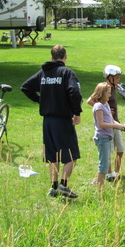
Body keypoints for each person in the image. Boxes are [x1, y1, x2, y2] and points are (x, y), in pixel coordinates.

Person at [21, 44, 82, 198]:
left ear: (51, 57)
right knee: (71, 154)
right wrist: (77, 112)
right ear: (65, 56)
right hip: (62, 119)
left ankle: (53, 187)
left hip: (47, 121)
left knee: (52, 154)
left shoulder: (44, 73)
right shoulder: (66, 72)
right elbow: (74, 91)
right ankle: (63, 185)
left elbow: (26, 87)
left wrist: (41, 100)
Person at [87, 65, 125, 181]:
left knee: (120, 149)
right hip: (108, 124)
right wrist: (103, 110)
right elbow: (90, 101)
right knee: (108, 151)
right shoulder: (105, 88)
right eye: (117, 78)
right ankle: (109, 174)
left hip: (115, 122)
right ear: (109, 77)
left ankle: (116, 173)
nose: (119, 80)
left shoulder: (113, 88)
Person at [90, 82, 125, 187]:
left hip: (107, 137)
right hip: (102, 138)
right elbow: (101, 124)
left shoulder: (106, 104)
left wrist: (123, 128)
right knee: (104, 164)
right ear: (102, 93)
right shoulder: (99, 106)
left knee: (105, 161)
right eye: (108, 93)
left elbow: (112, 121)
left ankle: (99, 183)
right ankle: (99, 187)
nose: (110, 95)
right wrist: (116, 127)